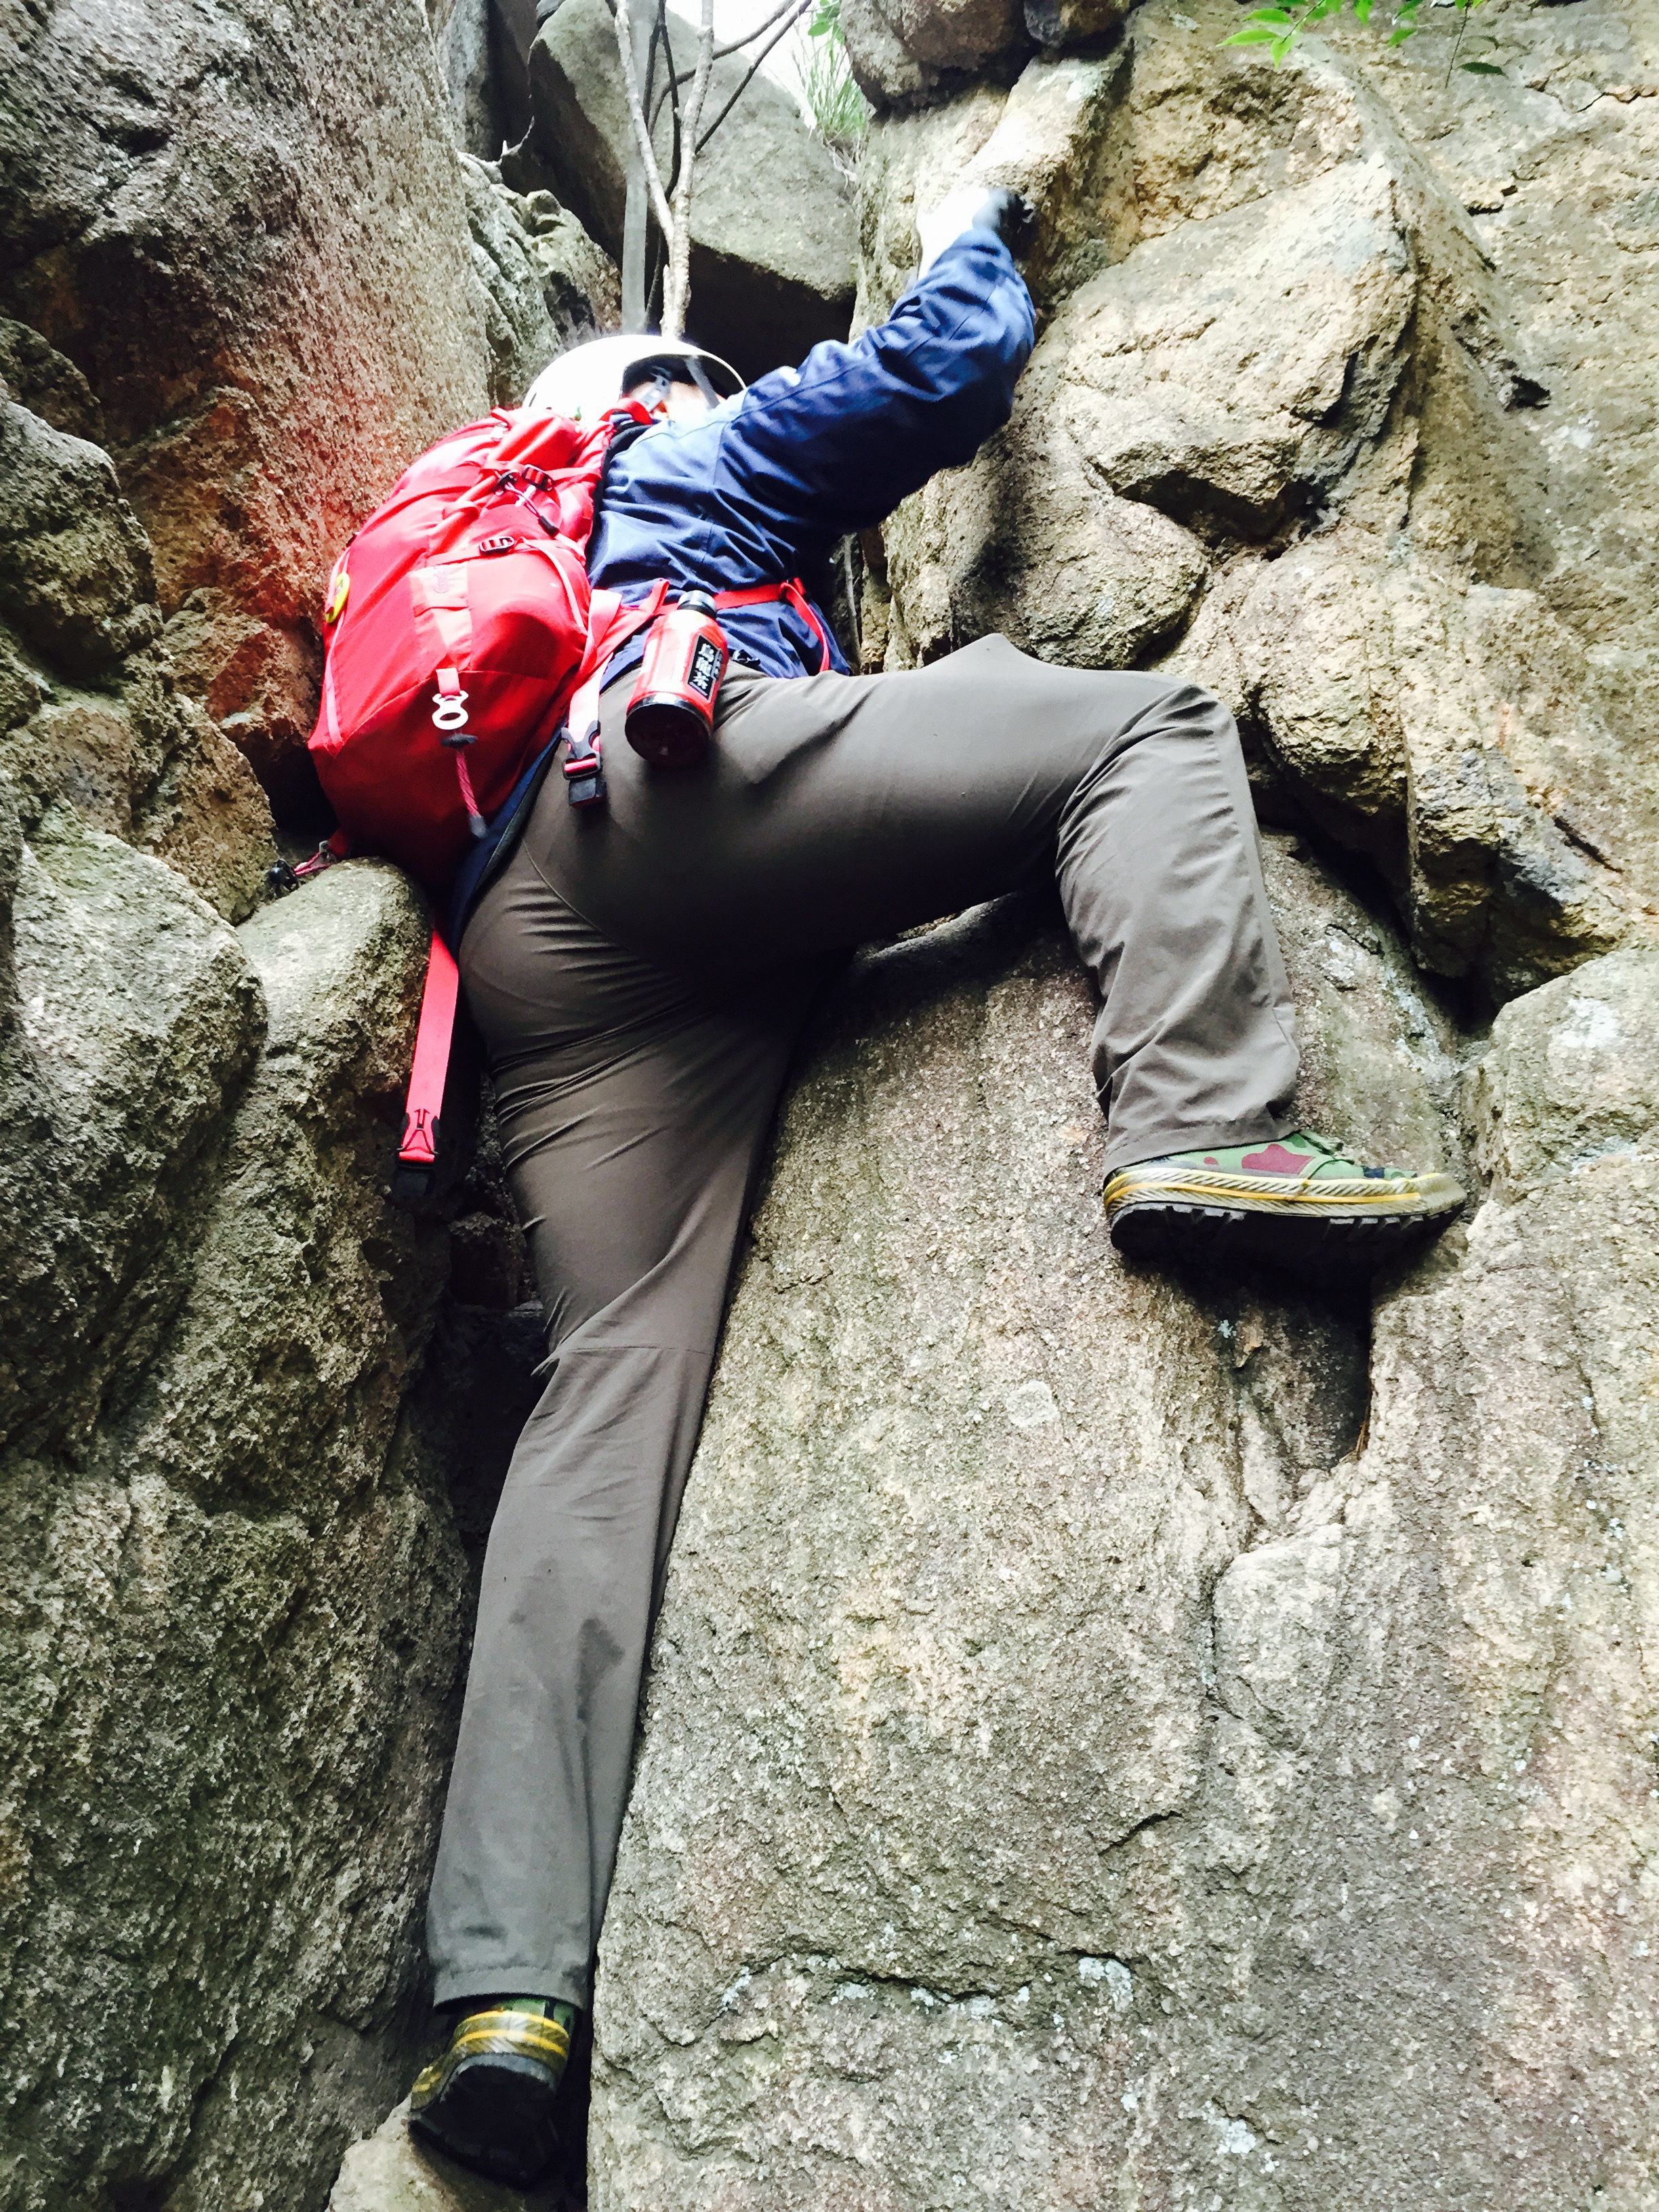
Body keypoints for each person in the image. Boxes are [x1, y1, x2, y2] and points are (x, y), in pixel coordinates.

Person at [407, 187, 1463, 2185]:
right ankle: (1201, 1117)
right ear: (648, 397)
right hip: (666, 800)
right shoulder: (676, 459)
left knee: (604, 1406)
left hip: (537, 964)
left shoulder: (504, 605)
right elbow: (939, 368)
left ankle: (508, 1992)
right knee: (1141, 728)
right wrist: (991, 226)